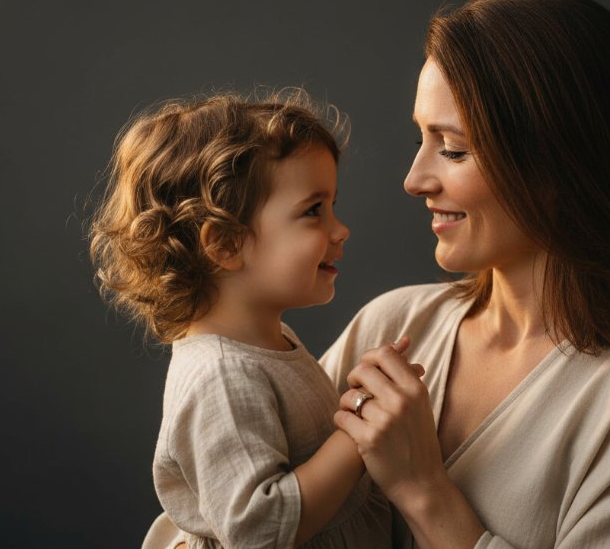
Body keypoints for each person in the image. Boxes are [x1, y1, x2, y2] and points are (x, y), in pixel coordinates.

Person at [323, 0, 610, 548]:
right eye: (422, 138)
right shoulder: (391, 326)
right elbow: (228, 509)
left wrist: (423, 490)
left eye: (453, 149)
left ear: (560, 163)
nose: (414, 180)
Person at [88, 91, 394, 549]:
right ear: (226, 245)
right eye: (314, 210)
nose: (340, 229)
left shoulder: (267, 343)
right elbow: (260, 529)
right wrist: (356, 433)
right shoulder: (221, 376)